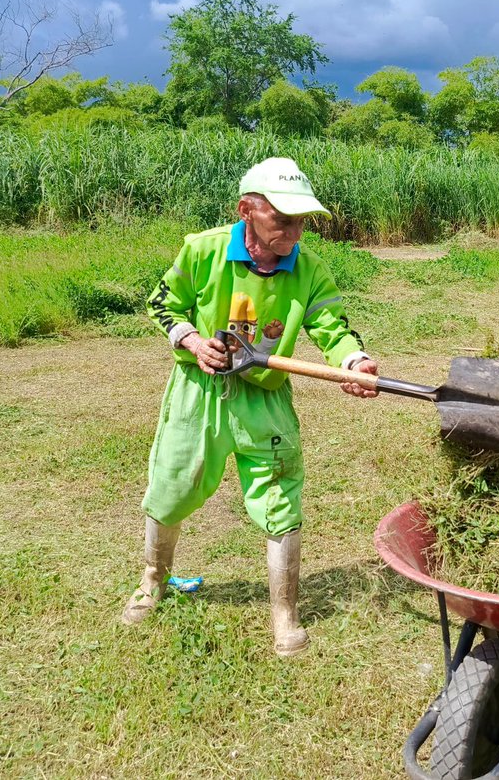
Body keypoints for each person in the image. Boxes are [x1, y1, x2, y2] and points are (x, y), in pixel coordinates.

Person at [121, 156, 379, 655]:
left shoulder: (308, 269)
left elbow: (332, 326)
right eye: (283, 220)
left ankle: (285, 614)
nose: (296, 232)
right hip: (199, 395)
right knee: (173, 486)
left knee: (280, 497)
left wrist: (355, 360)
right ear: (247, 211)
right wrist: (193, 340)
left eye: (302, 220)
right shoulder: (204, 251)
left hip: (265, 398)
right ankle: (153, 579)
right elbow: (161, 303)